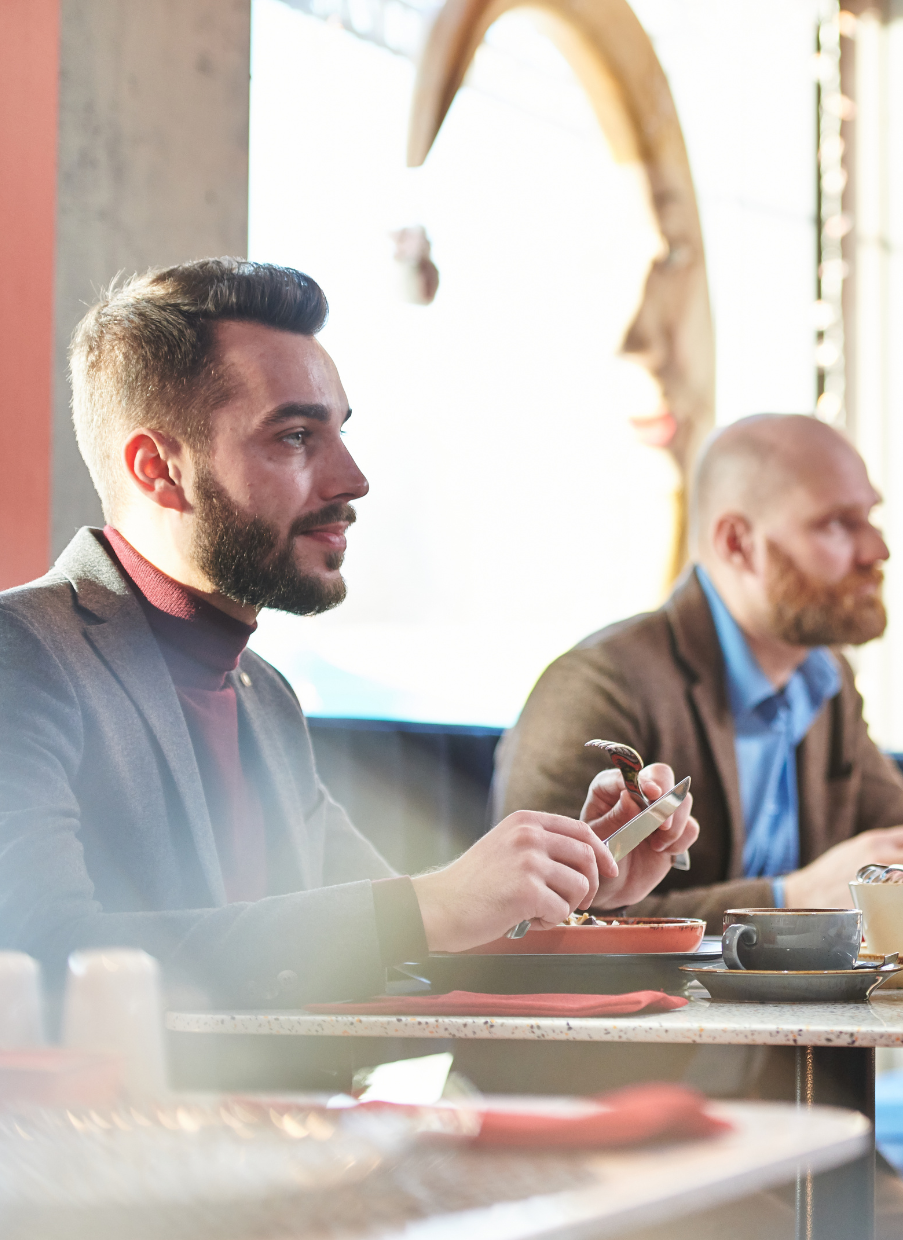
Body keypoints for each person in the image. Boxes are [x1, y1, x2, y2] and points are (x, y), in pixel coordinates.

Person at [0, 259, 697, 1008]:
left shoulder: (263, 693)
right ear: (158, 469)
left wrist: (569, 875)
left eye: (339, 433)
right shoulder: (23, 654)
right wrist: (427, 907)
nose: (353, 478)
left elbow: (389, 936)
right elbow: (38, 954)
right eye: (296, 436)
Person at [497, 413, 903, 918]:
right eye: (836, 524)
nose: (877, 550)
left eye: (871, 518)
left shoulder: (826, 680)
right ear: (737, 543)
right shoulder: (598, 686)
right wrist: (789, 901)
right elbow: (536, 920)